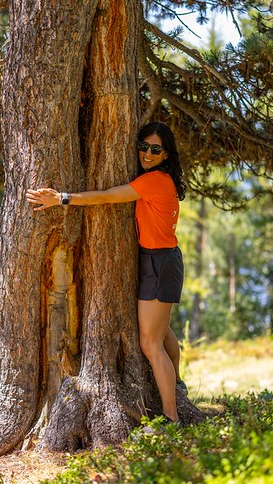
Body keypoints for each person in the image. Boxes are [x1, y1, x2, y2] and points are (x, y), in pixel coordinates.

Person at [25, 122, 187, 424]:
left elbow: (107, 197)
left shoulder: (155, 180)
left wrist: (60, 198)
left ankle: (172, 416)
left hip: (160, 263)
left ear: (166, 155)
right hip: (160, 260)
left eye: (155, 149)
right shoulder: (159, 179)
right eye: (143, 147)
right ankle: (177, 385)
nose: (147, 154)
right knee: (161, 333)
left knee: (150, 343)